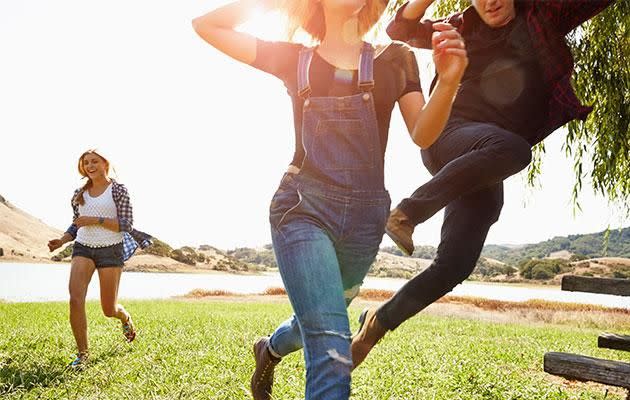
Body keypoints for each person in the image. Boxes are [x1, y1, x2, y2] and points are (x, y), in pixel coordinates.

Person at [192, 0, 467, 397]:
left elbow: (423, 133)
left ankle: (268, 350)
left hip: (365, 221)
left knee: (321, 323)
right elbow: (207, 25)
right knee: (332, 347)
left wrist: (450, 80)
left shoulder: (396, 58)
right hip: (302, 209)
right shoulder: (293, 60)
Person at [351, 0, 615, 369]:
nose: (490, 2)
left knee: (453, 266)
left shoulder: (544, 15)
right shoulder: (461, 27)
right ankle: (407, 213)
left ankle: (375, 325)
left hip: (487, 161)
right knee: (514, 149)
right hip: (448, 136)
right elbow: (401, 30)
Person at [48, 149, 152, 369]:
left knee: (108, 309)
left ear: (106, 163)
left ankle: (124, 318)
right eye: (86, 163)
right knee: (75, 299)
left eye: (94, 161)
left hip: (110, 250)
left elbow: (126, 224)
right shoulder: (79, 193)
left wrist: (95, 219)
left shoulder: (118, 190)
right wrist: (62, 240)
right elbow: (76, 224)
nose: (90, 166)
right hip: (83, 248)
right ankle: (82, 355)